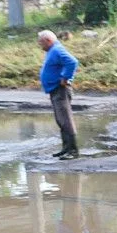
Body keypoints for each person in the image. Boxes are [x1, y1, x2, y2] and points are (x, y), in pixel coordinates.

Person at [37, 29, 79, 159]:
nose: (40, 45)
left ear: (48, 41)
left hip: (60, 90)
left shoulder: (56, 49)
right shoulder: (52, 50)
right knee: (61, 120)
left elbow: (72, 62)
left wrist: (65, 78)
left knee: (66, 120)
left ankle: (73, 151)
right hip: (54, 90)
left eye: (41, 42)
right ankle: (66, 148)